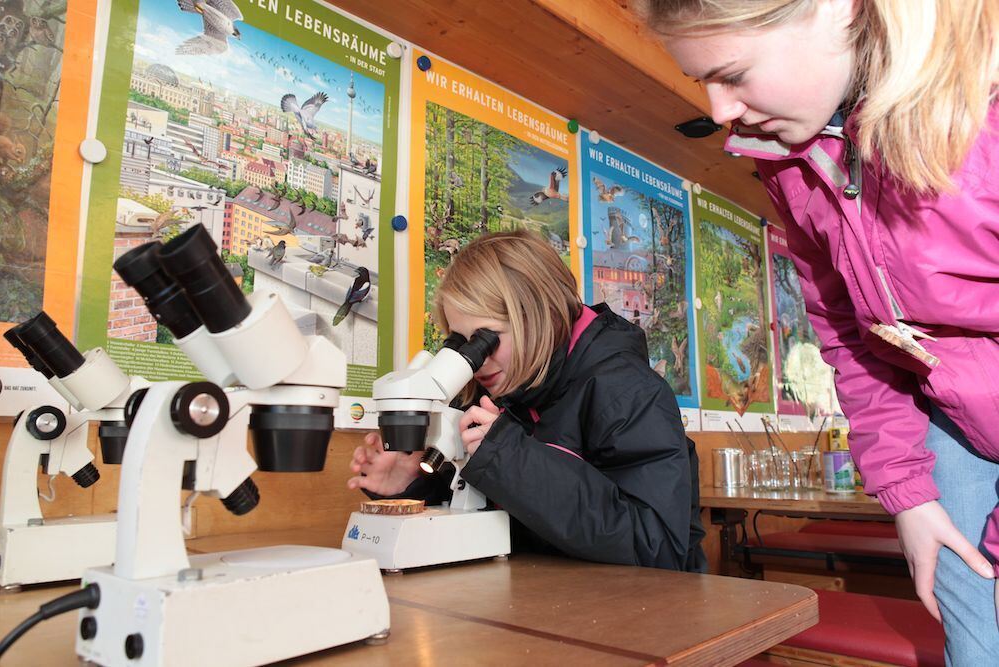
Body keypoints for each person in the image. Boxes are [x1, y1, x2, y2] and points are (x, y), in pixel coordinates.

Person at [639, 0, 999, 659]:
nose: (718, 108)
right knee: (975, 644)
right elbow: (853, 332)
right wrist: (907, 493)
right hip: (955, 421)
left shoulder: (984, 113)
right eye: (702, 82)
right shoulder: (784, 158)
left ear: (838, 9)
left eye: (733, 73)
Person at [348, 230, 706, 571]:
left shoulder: (629, 394)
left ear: (540, 319)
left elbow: (657, 547)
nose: (477, 361)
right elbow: (480, 513)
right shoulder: (495, 390)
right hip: (535, 596)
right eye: (461, 342)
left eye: (486, 339)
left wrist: (512, 460)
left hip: (641, 604)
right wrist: (411, 485)